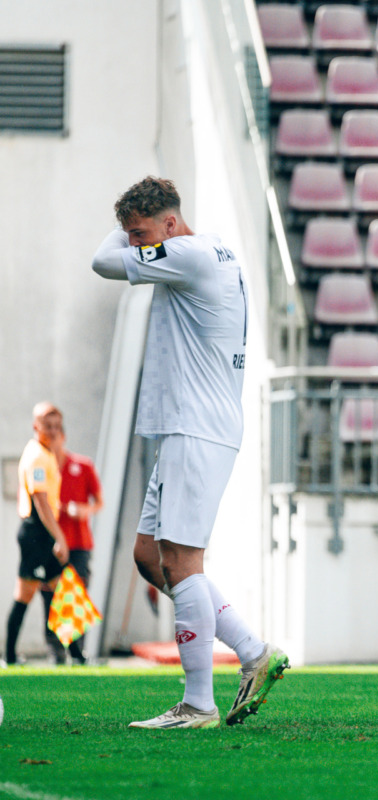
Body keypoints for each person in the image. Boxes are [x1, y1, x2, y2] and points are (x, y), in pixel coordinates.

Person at [92, 176, 288, 729]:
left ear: (171, 226)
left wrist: (126, 231)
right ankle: (251, 650)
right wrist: (140, 221)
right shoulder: (204, 250)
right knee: (150, 557)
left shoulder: (187, 252)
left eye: (141, 233)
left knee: (182, 561)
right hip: (193, 425)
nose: (134, 245)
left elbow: (101, 262)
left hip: (195, 427)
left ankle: (197, 702)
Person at [6, 403, 69, 666]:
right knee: (25, 593)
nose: (53, 431)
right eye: (48, 425)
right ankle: (9, 656)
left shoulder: (47, 452)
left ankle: (68, 653)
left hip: (42, 533)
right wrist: (60, 537)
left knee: (57, 588)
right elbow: (41, 502)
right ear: (36, 426)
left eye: (57, 426)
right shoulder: (36, 456)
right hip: (36, 533)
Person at [40, 427, 103, 665]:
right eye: (48, 431)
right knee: (50, 595)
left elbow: (99, 502)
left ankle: (77, 652)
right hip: (49, 543)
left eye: (57, 431)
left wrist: (84, 509)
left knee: (76, 595)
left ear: (64, 436)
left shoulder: (82, 465)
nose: (52, 436)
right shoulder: (42, 467)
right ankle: (54, 651)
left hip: (78, 542)